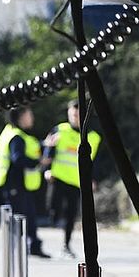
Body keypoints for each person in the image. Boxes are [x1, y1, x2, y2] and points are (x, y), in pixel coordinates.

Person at [0, 106, 52, 258]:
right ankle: (19, 248)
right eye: (29, 114)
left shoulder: (13, 133)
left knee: (28, 214)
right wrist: (39, 161)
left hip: (20, 184)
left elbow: (30, 145)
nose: (32, 118)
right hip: (15, 184)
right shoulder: (16, 137)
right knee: (18, 217)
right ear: (21, 117)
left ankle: (33, 245)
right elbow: (18, 158)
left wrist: (44, 144)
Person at [43, 99, 101, 258]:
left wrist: (93, 179)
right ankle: (52, 228)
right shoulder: (60, 130)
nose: (74, 117)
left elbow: (95, 161)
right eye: (72, 114)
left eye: (77, 115)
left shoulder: (93, 137)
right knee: (52, 208)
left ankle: (66, 245)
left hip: (77, 181)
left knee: (71, 214)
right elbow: (48, 151)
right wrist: (47, 170)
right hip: (58, 177)